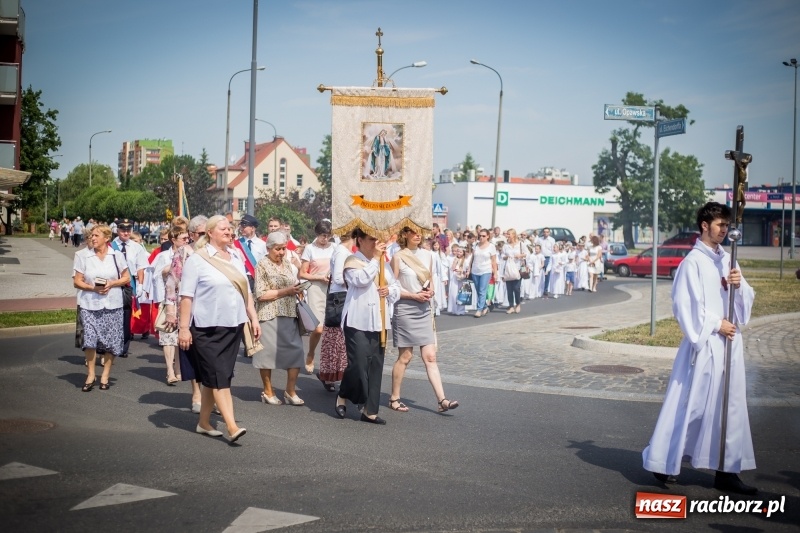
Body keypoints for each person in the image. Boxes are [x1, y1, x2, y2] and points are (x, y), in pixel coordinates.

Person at [642, 202, 757, 495]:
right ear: (704, 225)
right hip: (704, 345)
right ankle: (663, 460)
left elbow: (745, 300)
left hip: (730, 345)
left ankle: (727, 470)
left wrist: (738, 284)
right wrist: (716, 324)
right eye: (720, 225)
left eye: (727, 225)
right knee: (691, 405)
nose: (725, 230)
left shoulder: (728, 259)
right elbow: (684, 306)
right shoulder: (692, 262)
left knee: (729, 408)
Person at [178, 215, 261, 442]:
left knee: (215, 377)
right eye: (223, 228)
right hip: (206, 329)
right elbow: (186, 297)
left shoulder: (235, 256)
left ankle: (204, 423)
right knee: (219, 377)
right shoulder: (197, 260)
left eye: (230, 228)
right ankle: (232, 426)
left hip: (232, 326)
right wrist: (184, 329)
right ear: (211, 233)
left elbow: (246, 292)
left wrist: (252, 318)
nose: (229, 231)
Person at [389, 227, 459, 414]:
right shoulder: (398, 256)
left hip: (423, 308)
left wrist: (431, 291)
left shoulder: (428, 255)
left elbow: (430, 280)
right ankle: (394, 398)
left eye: (419, 232)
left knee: (430, 356)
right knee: (406, 356)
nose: (418, 235)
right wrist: (412, 295)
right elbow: (392, 288)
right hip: (405, 308)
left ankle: (442, 400)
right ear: (404, 235)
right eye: (413, 232)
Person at [335, 228, 400, 425]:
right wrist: (375, 261)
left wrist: (389, 290)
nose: (376, 243)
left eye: (378, 240)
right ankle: (344, 393)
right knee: (358, 364)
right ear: (360, 240)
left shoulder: (384, 264)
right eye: (372, 239)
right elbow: (360, 280)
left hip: (379, 320)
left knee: (375, 365)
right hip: (357, 319)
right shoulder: (352, 261)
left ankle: (369, 410)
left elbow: (397, 287)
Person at [73, 224, 130, 391]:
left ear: (107, 238)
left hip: (113, 304)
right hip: (89, 304)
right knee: (89, 340)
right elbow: (77, 281)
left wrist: (111, 283)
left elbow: (126, 277)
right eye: (92, 235)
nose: (93, 238)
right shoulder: (82, 255)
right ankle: (91, 374)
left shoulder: (117, 256)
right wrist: (93, 288)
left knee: (112, 342)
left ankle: (105, 375)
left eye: (97, 235)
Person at [253, 231, 307, 406]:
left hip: (289, 313)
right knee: (266, 354)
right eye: (278, 249)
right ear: (269, 248)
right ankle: (268, 391)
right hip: (269, 314)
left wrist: (298, 290)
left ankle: (290, 391)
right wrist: (287, 291)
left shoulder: (287, 264)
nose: (282, 252)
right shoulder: (262, 264)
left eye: (283, 248)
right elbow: (260, 294)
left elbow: (292, 284)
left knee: (297, 351)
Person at [166, 215, 207, 412]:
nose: (205, 236)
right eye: (201, 233)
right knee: (193, 353)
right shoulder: (183, 253)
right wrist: (171, 313)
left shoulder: (216, 253)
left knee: (212, 356)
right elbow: (172, 284)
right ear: (191, 234)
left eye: (208, 232)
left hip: (212, 310)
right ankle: (197, 393)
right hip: (189, 310)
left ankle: (213, 395)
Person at [318, 232, 354, 391]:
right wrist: (355, 282)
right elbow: (338, 278)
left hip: (340, 295)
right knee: (336, 336)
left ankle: (332, 374)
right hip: (339, 296)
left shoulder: (343, 251)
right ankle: (330, 374)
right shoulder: (341, 252)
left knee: (338, 337)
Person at [299, 220, 335, 375]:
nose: (325, 239)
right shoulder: (310, 249)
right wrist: (318, 277)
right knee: (318, 328)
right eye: (322, 236)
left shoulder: (334, 248)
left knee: (332, 329)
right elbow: (302, 273)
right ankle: (311, 353)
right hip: (315, 287)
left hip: (333, 287)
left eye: (327, 236)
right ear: (317, 235)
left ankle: (329, 362)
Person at [153, 226, 187, 385]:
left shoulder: (190, 254)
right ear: (173, 240)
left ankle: (180, 369)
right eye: (183, 239)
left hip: (185, 300)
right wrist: (172, 267)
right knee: (168, 336)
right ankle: (170, 371)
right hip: (169, 300)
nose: (187, 241)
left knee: (181, 336)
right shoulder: (163, 256)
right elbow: (156, 275)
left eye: (188, 238)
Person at [112, 219, 148, 357]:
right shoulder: (111, 245)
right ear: (117, 230)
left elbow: (140, 267)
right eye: (122, 230)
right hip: (113, 282)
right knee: (113, 313)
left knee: (126, 315)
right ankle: (112, 343)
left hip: (129, 284)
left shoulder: (136, 247)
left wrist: (140, 285)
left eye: (128, 230)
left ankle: (124, 347)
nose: (126, 232)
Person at [469, 229, 498, 318]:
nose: (481, 237)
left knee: (482, 290)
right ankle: (485, 307)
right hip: (475, 270)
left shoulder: (491, 246)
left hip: (486, 270)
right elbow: (472, 258)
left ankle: (479, 309)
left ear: (488, 236)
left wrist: (495, 273)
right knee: (478, 290)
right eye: (480, 236)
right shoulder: (475, 245)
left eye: (483, 236)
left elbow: (493, 261)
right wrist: (469, 269)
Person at [235, 214, 266, 293]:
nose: (241, 229)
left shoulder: (263, 245)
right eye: (240, 226)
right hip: (240, 277)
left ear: (252, 228)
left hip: (255, 279)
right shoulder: (236, 244)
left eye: (244, 227)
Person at [502, 229, 526, 313]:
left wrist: (520, 255)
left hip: (518, 268)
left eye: (509, 234)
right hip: (509, 268)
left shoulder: (520, 244)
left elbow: (526, 254)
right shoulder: (505, 245)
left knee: (516, 287)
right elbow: (502, 255)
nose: (507, 235)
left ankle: (518, 304)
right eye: (507, 234)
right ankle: (511, 306)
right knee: (509, 288)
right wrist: (507, 257)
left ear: (513, 235)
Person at [447, 244, 468, 315]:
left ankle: (461, 310)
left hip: (461, 278)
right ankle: (454, 309)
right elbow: (452, 268)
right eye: (458, 252)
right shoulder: (455, 259)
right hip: (454, 277)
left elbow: (466, 270)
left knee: (461, 294)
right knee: (453, 293)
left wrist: (461, 271)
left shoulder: (465, 260)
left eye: (460, 252)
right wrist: (455, 262)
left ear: (463, 253)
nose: (458, 253)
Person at [538, 228, 556, 294]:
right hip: (540, 257)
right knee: (539, 273)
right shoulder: (540, 239)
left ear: (549, 233)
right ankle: (539, 289)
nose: (545, 233)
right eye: (544, 232)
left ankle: (546, 289)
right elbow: (537, 248)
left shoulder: (552, 240)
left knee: (547, 274)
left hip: (548, 257)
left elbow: (553, 249)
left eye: (547, 232)